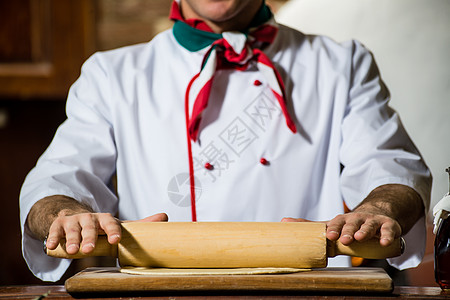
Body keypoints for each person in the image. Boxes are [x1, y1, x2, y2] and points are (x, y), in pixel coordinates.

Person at [20, 0, 431, 282]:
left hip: (310, 291)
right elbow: (57, 181)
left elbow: (392, 168)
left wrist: (378, 209)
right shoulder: (111, 74)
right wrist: (66, 214)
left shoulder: (343, 64)